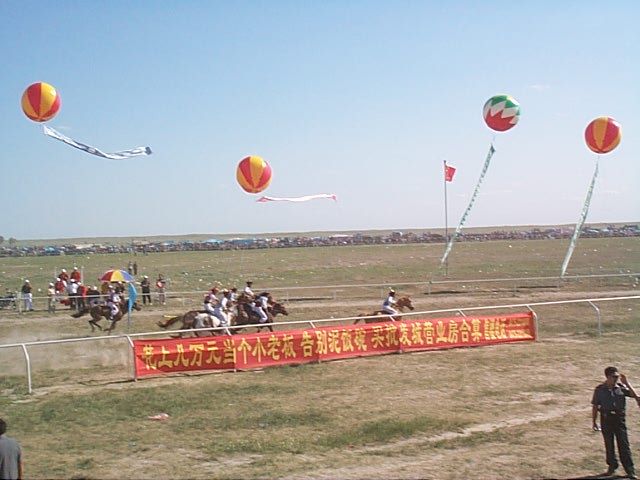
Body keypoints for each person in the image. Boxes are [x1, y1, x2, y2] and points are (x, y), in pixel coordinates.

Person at [592, 366, 640, 479]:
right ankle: (612, 467)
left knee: (624, 444)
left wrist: (627, 383)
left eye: (617, 377)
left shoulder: (621, 388)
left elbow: (637, 397)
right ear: (607, 377)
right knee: (609, 444)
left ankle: (630, 470)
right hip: (606, 419)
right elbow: (595, 406)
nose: (616, 379)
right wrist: (594, 421)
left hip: (619, 419)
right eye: (614, 377)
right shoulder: (599, 389)